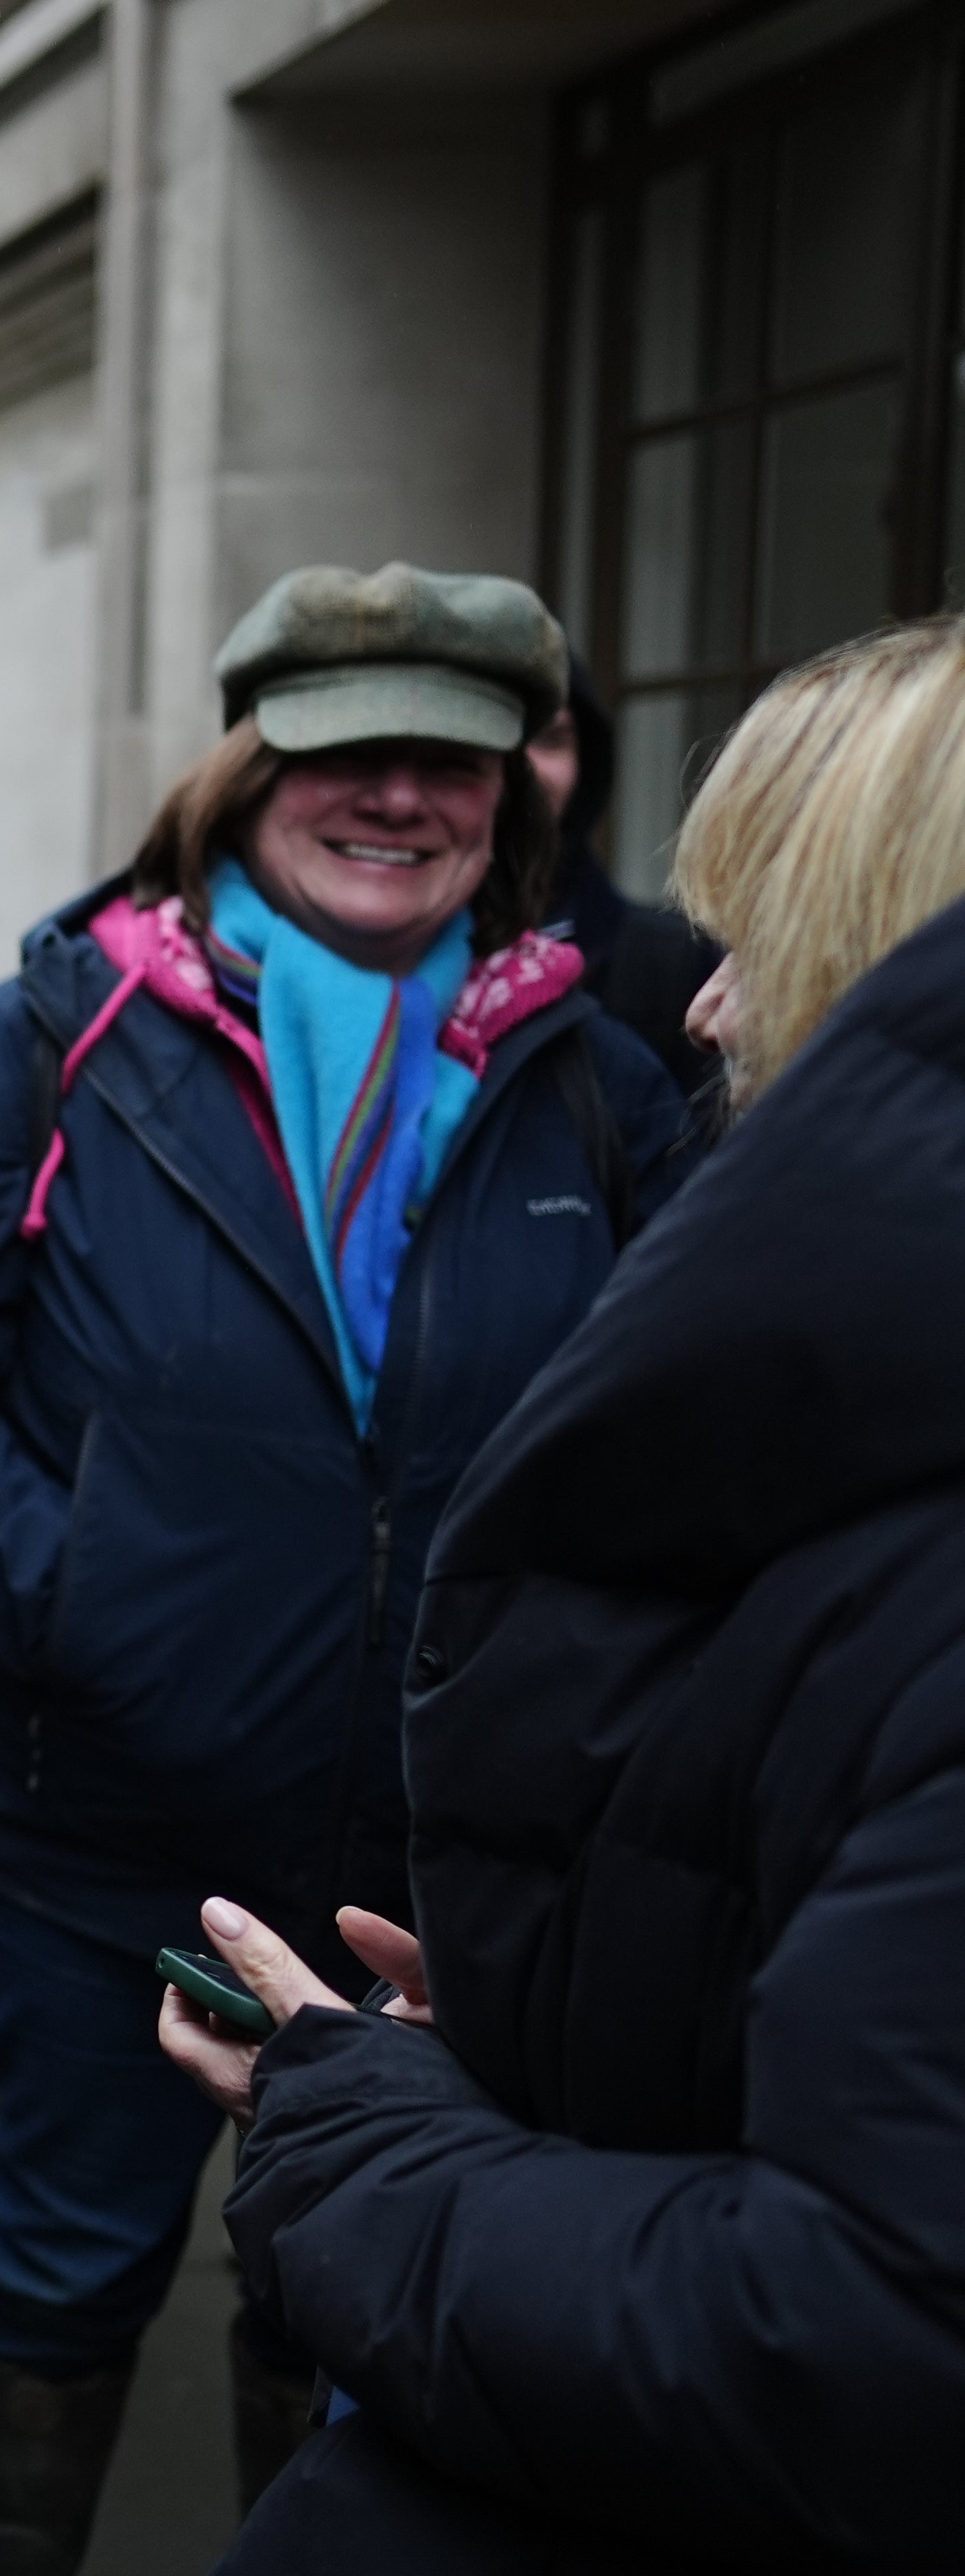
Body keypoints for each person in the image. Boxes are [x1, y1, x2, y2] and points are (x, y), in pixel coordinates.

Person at [0, 562, 697, 2575]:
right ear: (246, 770)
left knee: (356, 2278)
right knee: (60, 2247)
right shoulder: (62, 1031)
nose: (393, 797)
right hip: (100, 1829)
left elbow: (673, 1431)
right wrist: (75, 1599)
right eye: (343, 751)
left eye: (445, 759)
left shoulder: (594, 1075)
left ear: (512, 793)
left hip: (435, 1859)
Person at [165, 614, 965, 2571]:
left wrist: (364, 2135)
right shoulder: (71, 1034)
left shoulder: (587, 1077)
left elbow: (862, 2337)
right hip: (151, 1780)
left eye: (764, 936)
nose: (707, 1010)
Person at [523, 650, 720, 1104]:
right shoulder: (387, 947)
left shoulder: (677, 963)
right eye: (503, 742)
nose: (527, 769)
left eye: (552, 740)